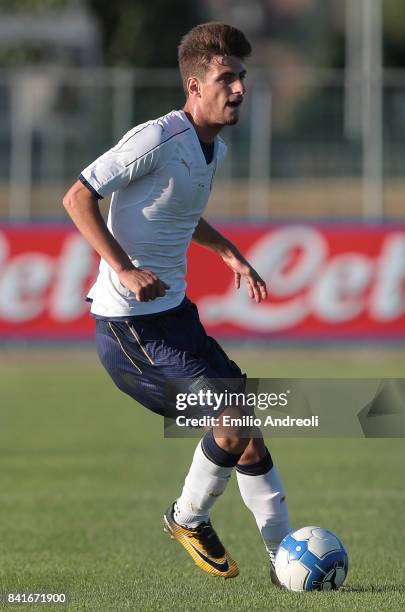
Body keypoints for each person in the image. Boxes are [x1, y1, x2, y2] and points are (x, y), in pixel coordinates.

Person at [63, 22, 290, 583]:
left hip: (176, 318)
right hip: (129, 329)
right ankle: (186, 518)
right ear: (195, 84)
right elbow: (77, 197)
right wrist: (124, 268)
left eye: (242, 77)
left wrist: (227, 251)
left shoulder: (211, 147)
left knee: (247, 427)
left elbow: (178, 213)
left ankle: (286, 555)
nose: (238, 89)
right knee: (232, 415)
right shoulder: (155, 139)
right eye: (226, 78)